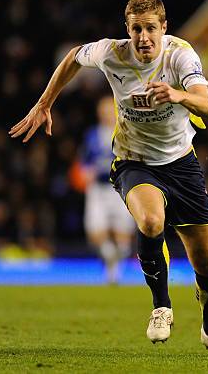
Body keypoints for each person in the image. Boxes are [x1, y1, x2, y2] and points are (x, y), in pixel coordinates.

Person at [10, 0, 208, 357]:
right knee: (151, 221)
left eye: (151, 28)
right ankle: (161, 307)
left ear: (164, 28)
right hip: (133, 161)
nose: (143, 38)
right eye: (136, 29)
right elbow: (73, 57)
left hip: (181, 165)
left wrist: (177, 94)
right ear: (128, 28)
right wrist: (44, 103)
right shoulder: (111, 52)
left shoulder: (180, 55)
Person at [81, 95, 136, 283]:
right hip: (97, 188)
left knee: (123, 234)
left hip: (119, 188)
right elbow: (85, 161)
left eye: (108, 109)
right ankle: (109, 257)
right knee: (95, 230)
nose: (105, 113)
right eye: (102, 109)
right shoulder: (92, 134)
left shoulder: (126, 131)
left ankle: (115, 267)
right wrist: (85, 172)